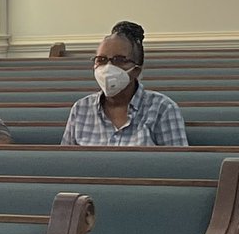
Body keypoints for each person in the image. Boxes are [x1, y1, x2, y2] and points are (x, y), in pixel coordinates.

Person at [61, 21, 189, 147]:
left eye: (119, 60)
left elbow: (177, 160)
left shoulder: (163, 109)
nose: (108, 67)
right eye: (101, 60)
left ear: (136, 70)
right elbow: (66, 158)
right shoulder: (81, 109)